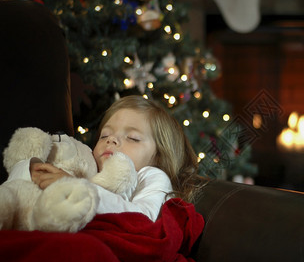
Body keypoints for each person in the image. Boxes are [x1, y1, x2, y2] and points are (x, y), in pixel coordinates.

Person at [16, 95, 200, 222]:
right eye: (104, 136)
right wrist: (32, 171)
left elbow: (144, 218)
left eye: (133, 138)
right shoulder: (89, 167)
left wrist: (80, 190)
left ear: (159, 156)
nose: (111, 140)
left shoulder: (151, 176)